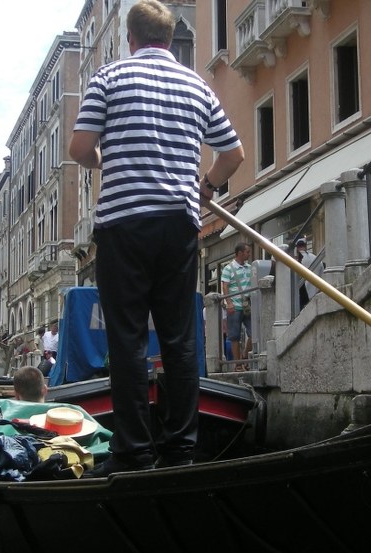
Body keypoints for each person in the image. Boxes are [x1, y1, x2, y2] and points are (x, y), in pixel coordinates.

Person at [69, 0, 243, 476]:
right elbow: (233, 155)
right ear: (169, 40)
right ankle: (180, 450)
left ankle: (133, 453)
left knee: (126, 340)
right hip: (179, 224)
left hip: (123, 224)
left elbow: (80, 148)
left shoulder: (108, 78)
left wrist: (111, 160)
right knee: (178, 339)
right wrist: (204, 186)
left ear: (130, 38)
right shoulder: (197, 85)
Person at [221, 243, 253, 371]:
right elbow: (225, 286)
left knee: (254, 333)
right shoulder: (228, 268)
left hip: (248, 304)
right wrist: (229, 302)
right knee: (234, 336)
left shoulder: (250, 268)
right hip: (235, 305)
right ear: (240, 253)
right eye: (247, 252)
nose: (249, 254)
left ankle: (244, 356)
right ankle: (238, 364)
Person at [294, 237, 319, 310]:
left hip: (301, 298)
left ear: (296, 247)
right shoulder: (316, 259)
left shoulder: (294, 261)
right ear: (306, 245)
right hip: (315, 296)